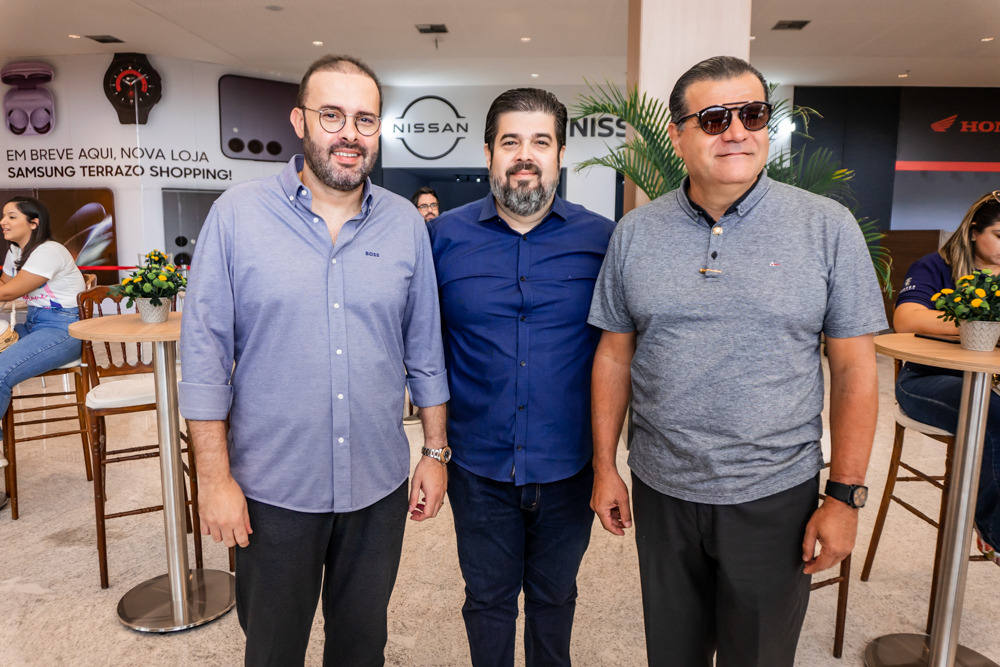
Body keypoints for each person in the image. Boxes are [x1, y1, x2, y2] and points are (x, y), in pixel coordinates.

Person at [587, 56, 886, 667]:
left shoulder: (827, 227)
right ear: (678, 135)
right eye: (714, 118)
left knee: (759, 657)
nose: (737, 132)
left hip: (775, 492)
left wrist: (844, 496)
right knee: (672, 655)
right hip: (662, 488)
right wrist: (605, 467)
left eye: (753, 115)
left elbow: (856, 370)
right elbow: (614, 356)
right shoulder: (635, 233)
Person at [178, 54, 450, 667]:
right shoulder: (236, 216)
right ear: (300, 121)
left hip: (376, 489)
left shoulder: (405, 225)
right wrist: (215, 480)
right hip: (273, 492)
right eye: (332, 115)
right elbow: (204, 361)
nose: (349, 133)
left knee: (362, 647)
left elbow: (425, 351)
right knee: (273, 651)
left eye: (365, 119)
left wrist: (435, 454)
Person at [428, 88, 614, 667]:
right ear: (488, 153)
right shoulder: (442, 238)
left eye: (540, 142)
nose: (525, 155)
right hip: (478, 467)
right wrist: (432, 451)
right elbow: (422, 347)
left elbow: (622, 353)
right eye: (511, 142)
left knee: (555, 599)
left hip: (569, 465)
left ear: (560, 154)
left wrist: (609, 464)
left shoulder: (603, 240)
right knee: (487, 602)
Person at [893, 190, 1000, 564]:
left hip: (991, 382)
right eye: (999, 235)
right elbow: (906, 319)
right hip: (926, 381)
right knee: (988, 413)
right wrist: (983, 323)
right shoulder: (935, 266)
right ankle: (994, 532)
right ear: (973, 232)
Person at [0, 196, 86, 491]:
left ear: (33, 223)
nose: (3, 221)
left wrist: (6, 288)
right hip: (35, 323)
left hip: (64, 328)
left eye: (12, 216)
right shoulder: (16, 250)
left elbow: (8, 292)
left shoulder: (49, 251)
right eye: (3, 216)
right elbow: (5, 284)